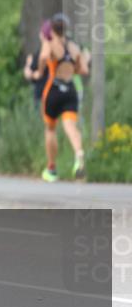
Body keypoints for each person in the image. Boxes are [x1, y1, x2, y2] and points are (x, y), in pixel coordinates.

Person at [32, 13, 89, 182]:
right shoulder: (75, 47)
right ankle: (79, 156)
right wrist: (71, 69)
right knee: (71, 126)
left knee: (50, 129)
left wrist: (39, 71)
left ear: (52, 29)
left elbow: (43, 57)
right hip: (70, 90)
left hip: (53, 90)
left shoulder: (50, 44)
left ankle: (51, 169)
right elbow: (84, 70)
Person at [22, 20, 52, 111]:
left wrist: (28, 63)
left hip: (43, 93)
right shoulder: (60, 49)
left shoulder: (42, 53)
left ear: (43, 35)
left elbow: (32, 74)